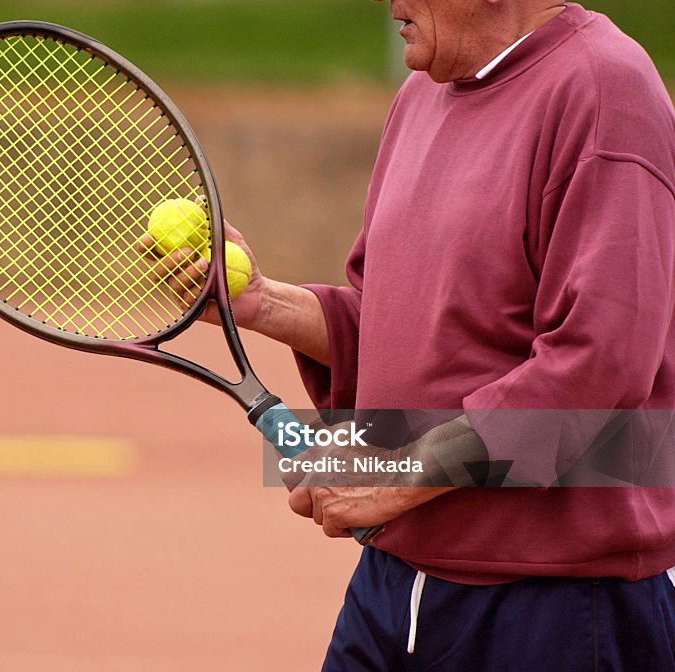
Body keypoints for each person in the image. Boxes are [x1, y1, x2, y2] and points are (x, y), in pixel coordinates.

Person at [180, 1, 675, 669]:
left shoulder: (604, 89)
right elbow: (401, 327)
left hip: (554, 601)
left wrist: (398, 476)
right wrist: (265, 304)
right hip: (393, 587)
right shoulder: (422, 93)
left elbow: (596, 370)